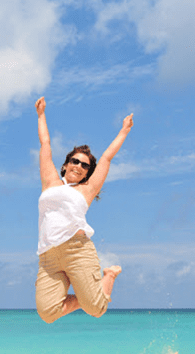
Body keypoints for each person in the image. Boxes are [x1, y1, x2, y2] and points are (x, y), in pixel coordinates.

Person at [34, 96, 133, 323]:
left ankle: (109, 275)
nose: (79, 166)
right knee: (48, 313)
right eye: (75, 161)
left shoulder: (87, 189)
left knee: (96, 309)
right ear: (66, 164)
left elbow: (107, 157)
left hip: (77, 250)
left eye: (85, 165)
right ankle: (86, 293)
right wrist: (41, 115)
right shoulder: (50, 181)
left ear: (88, 172)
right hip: (48, 255)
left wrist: (124, 131)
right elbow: (45, 144)